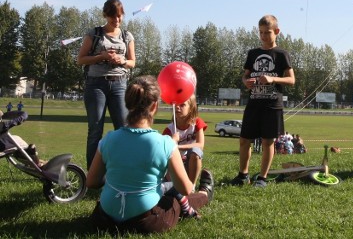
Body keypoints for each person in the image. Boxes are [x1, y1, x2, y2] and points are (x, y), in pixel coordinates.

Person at [86, 76, 214, 234]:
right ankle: (204, 194)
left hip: (104, 220)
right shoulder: (165, 143)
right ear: (155, 106)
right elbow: (186, 188)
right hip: (146, 221)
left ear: (127, 104)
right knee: (175, 199)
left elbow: (91, 182)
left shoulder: (108, 139)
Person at [230, 15, 295, 187]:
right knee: (244, 139)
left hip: (272, 104)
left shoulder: (282, 54)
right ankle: (243, 175)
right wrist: (246, 83)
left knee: (268, 142)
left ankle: (262, 178)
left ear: (277, 32)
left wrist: (273, 79)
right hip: (254, 103)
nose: (264, 36)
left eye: (268, 32)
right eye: (261, 32)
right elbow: (245, 76)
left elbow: (291, 80)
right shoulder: (253, 54)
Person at [77, 0, 136, 170]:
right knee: (95, 130)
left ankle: (124, 171)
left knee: (124, 129)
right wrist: (101, 57)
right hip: (96, 85)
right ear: (105, 15)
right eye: (112, 16)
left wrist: (122, 60)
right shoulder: (94, 34)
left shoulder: (127, 36)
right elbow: (80, 59)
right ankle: (93, 175)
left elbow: (132, 62)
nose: (116, 20)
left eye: (119, 16)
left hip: (119, 84)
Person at [162, 94, 207, 186]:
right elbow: (163, 152)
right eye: (176, 105)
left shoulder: (197, 123)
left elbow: (200, 145)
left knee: (196, 151)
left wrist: (177, 146)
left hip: (190, 162)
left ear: (191, 108)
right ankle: (174, 186)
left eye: (182, 105)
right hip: (175, 164)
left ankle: (191, 185)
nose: (178, 107)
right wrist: (172, 142)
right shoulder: (169, 130)